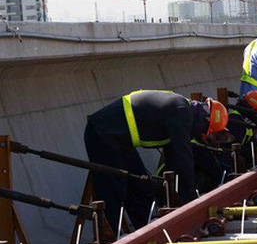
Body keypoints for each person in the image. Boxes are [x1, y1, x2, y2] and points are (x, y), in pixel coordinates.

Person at [84, 90, 228, 228]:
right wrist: (191, 203)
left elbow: (175, 162)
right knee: (113, 190)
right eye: (211, 135)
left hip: (119, 141)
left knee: (141, 187)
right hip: (102, 134)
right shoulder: (181, 112)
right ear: (206, 123)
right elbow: (183, 158)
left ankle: (145, 231)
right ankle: (110, 242)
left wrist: (178, 199)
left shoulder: (182, 112)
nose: (207, 138)